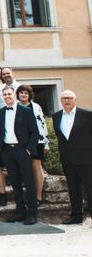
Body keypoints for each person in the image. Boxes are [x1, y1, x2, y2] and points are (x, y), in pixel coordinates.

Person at [0, 86, 39, 225]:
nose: (7, 96)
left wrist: (28, 149)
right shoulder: (1, 112)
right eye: (5, 95)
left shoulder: (26, 111)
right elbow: (0, 131)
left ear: (14, 95)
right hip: (8, 151)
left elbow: (35, 132)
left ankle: (32, 213)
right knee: (15, 182)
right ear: (3, 97)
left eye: (9, 94)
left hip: (23, 150)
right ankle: (20, 211)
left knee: (28, 182)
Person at [52, 90, 92, 225]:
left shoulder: (87, 115)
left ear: (75, 99)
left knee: (90, 188)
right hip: (67, 159)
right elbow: (60, 137)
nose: (66, 100)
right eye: (63, 98)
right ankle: (76, 215)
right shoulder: (56, 116)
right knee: (73, 189)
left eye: (69, 98)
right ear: (61, 101)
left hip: (86, 159)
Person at [16, 85, 49, 206]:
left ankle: (38, 196)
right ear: (18, 94)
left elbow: (43, 125)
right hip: (20, 143)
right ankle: (28, 195)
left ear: (29, 95)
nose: (23, 95)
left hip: (36, 142)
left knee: (36, 168)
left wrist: (46, 143)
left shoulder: (36, 107)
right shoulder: (15, 107)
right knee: (23, 169)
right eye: (21, 93)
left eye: (26, 93)